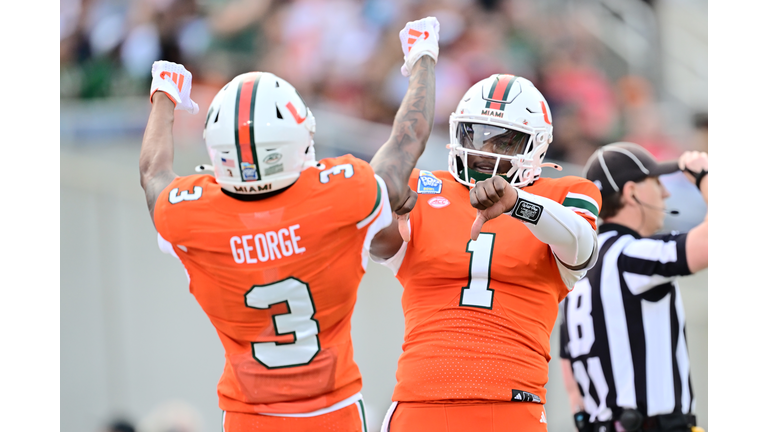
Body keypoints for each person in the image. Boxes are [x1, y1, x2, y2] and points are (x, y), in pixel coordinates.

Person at [138, 17, 439, 432]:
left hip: (248, 417)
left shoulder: (191, 213)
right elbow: (408, 141)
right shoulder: (341, 193)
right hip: (335, 413)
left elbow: (154, 173)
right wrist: (423, 58)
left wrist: (164, 95)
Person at [369, 73, 603, 431]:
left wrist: (517, 204)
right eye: (475, 134)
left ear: (535, 145)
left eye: (504, 141)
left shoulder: (565, 193)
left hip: (511, 404)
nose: (484, 151)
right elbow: (368, 232)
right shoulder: (421, 188)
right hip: (420, 400)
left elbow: (583, 248)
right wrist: (382, 202)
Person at [557, 142, 708, 432]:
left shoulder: (579, 264)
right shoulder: (629, 254)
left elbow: (569, 372)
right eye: (656, 182)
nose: (665, 193)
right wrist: (706, 177)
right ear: (632, 192)